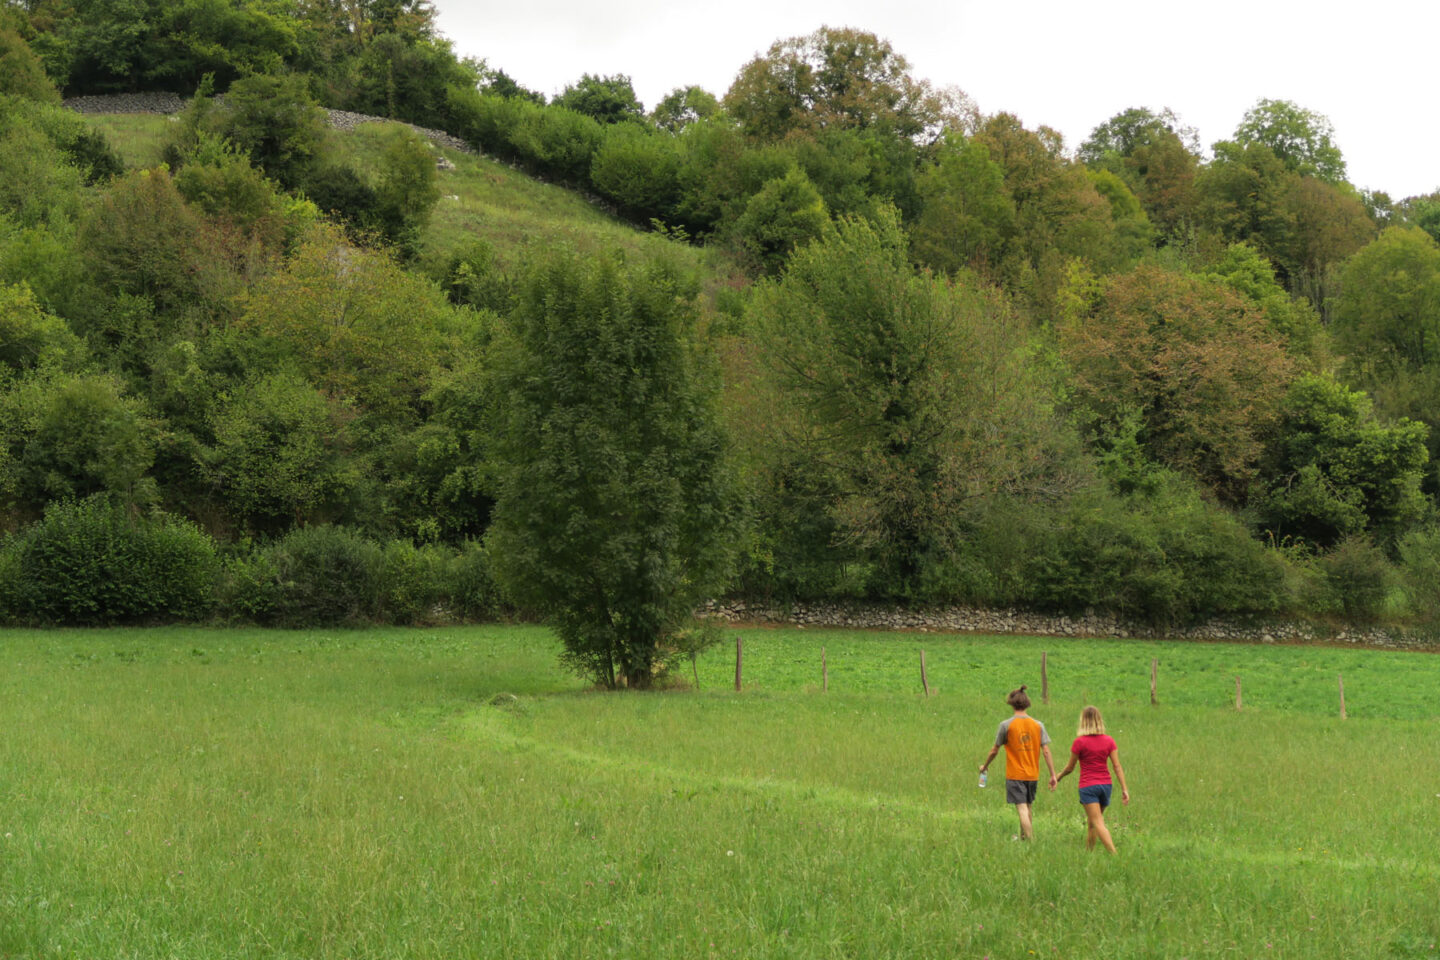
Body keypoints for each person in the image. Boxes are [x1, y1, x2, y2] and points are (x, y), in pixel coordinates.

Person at [978, 685, 1056, 841]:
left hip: (1015, 774)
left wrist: (985, 767)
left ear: (1011, 704)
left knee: (1021, 809)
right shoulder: (1038, 725)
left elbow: (994, 750)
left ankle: (1031, 841)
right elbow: (1046, 751)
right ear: (1027, 704)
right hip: (1033, 774)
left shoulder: (1006, 725)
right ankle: (1024, 839)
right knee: (1028, 807)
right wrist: (1053, 774)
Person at [1052, 705, 1130, 854]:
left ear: (1083, 721)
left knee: (1097, 822)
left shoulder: (1079, 742)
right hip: (1106, 786)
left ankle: (1115, 855)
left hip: (1088, 787)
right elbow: (1117, 766)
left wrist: (1058, 777)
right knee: (1092, 823)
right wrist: (1124, 789)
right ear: (1099, 721)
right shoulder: (1109, 741)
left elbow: (1070, 768)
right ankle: (1088, 854)